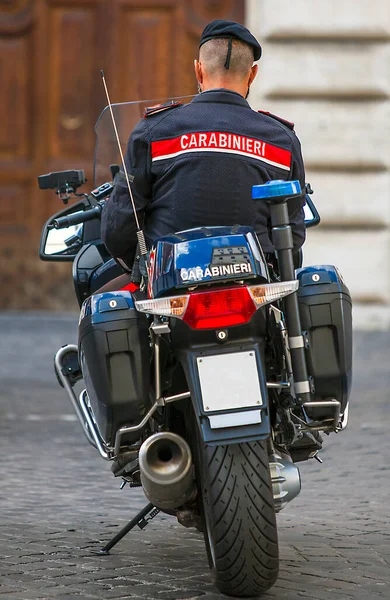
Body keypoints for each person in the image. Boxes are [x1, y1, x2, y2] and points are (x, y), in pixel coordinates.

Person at [101, 19, 306, 277]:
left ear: (198, 71)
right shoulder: (281, 139)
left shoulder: (155, 131)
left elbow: (118, 229)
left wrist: (143, 265)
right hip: (255, 291)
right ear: (252, 75)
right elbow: (293, 235)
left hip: (170, 292)